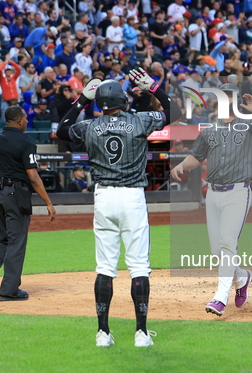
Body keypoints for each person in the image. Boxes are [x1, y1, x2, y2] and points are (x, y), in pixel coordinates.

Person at [56, 68, 182, 348]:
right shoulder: (139, 120)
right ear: (122, 101)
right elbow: (176, 113)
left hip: (103, 197)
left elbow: (62, 129)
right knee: (138, 266)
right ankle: (141, 333)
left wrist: (81, 101)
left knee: (105, 267)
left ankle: (103, 333)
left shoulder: (89, 125)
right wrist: (153, 88)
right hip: (132, 197)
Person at [171, 83, 252, 317]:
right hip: (212, 193)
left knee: (226, 243)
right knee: (218, 253)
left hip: (238, 191)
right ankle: (242, 277)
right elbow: (196, 156)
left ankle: (220, 298)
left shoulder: (250, 125)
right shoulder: (209, 129)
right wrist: (183, 164)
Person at [0, 106, 56, 302]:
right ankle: (9, 290)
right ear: (19, 121)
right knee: (16, 242)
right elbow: (33, 176)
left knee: (2, 237)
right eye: (26, 119)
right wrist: (48, 202)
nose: (27, 122)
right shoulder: (26, 141)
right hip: (14, 193)